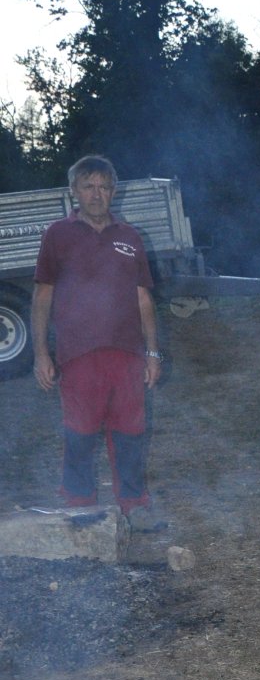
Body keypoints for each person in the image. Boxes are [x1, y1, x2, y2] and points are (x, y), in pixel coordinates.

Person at [32, 155, 162, 520]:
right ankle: (80, 504)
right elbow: (43, 294)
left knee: (130, 429)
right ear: (74, 191)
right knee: (80, 430)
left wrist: (153, 353)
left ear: (113, 192)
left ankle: (133, 504)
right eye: (88, 186)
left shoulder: (130, 237)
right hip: (78, 352)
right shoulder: (58, 234)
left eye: (104, 187)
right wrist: (41, 352)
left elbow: (142, 298)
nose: (96, 194)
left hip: (127, 351)